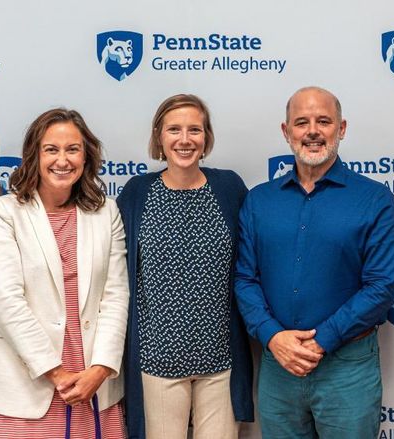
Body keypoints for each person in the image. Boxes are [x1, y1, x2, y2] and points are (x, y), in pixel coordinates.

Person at [235, 86, 394, 438]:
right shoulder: (259, 201)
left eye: (323, 121)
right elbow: (244, 279)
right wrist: (273, 337)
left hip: (347, 369)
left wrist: (321, 340)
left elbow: (381, 287)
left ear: (341, 129)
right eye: (301, 122)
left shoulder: (375, 200)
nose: (312, 131)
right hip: (278, 365)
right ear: (287, 132)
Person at [0, 109, 129, 438]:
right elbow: (5, 300)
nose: (63, 160)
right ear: (34, 156)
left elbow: (115, 296)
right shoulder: (3, 212)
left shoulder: (106, 213)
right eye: (51, 150)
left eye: (73, 149)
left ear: (86, 157)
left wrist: (99, 370)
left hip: (92, 385)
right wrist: (55, 373)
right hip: (24, 383)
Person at [116, 94, 254, 439]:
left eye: (195, 129)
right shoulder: (137, 193)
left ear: (206, 138)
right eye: (174, 129)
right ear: (159, 137)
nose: (185, 139)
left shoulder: (229, 188)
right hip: (157, 361)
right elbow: (117, 273)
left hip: (220, 362)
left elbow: (250, 263)